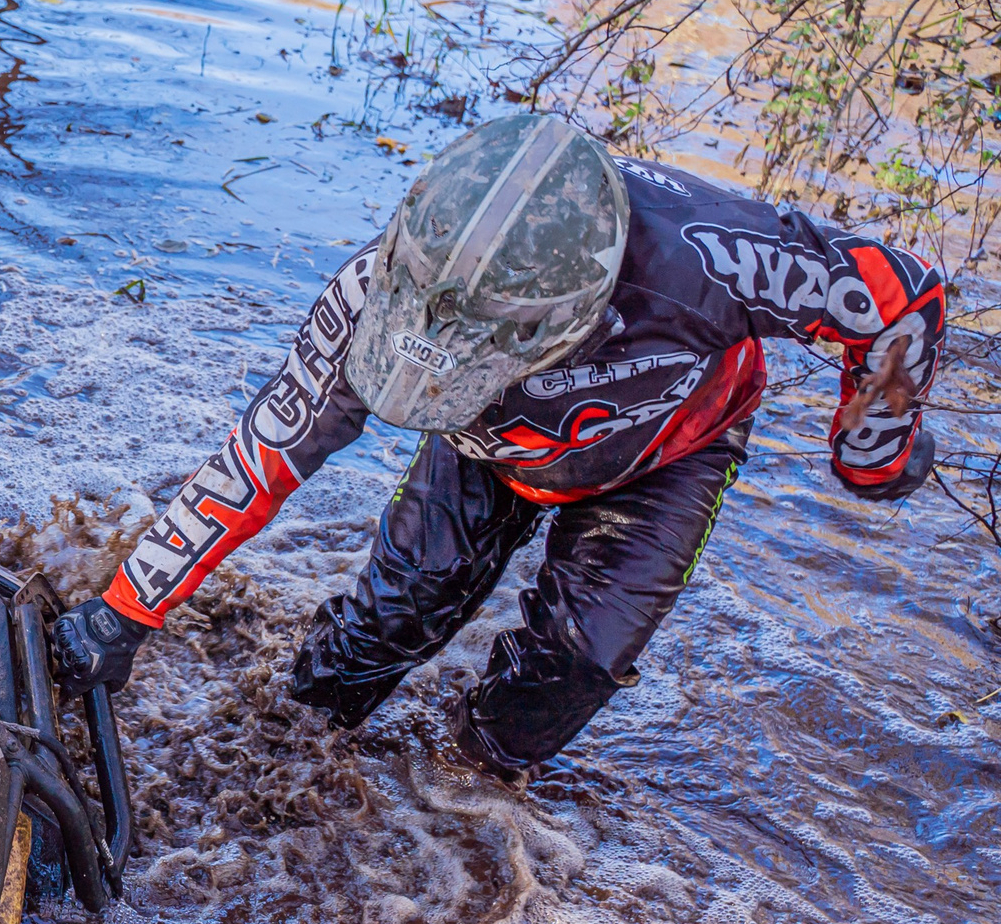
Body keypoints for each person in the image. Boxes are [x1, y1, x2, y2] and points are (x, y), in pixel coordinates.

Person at [54, 114, 946, 780]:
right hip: (488, 445)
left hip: (668, 450)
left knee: (567, 674)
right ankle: (298, 761)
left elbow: (897, 292)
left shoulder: (707, 255)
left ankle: (466, 796)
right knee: (383, 623)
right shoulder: (380, 285)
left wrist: (875, 438)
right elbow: (267, 447)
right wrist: (124, 612)